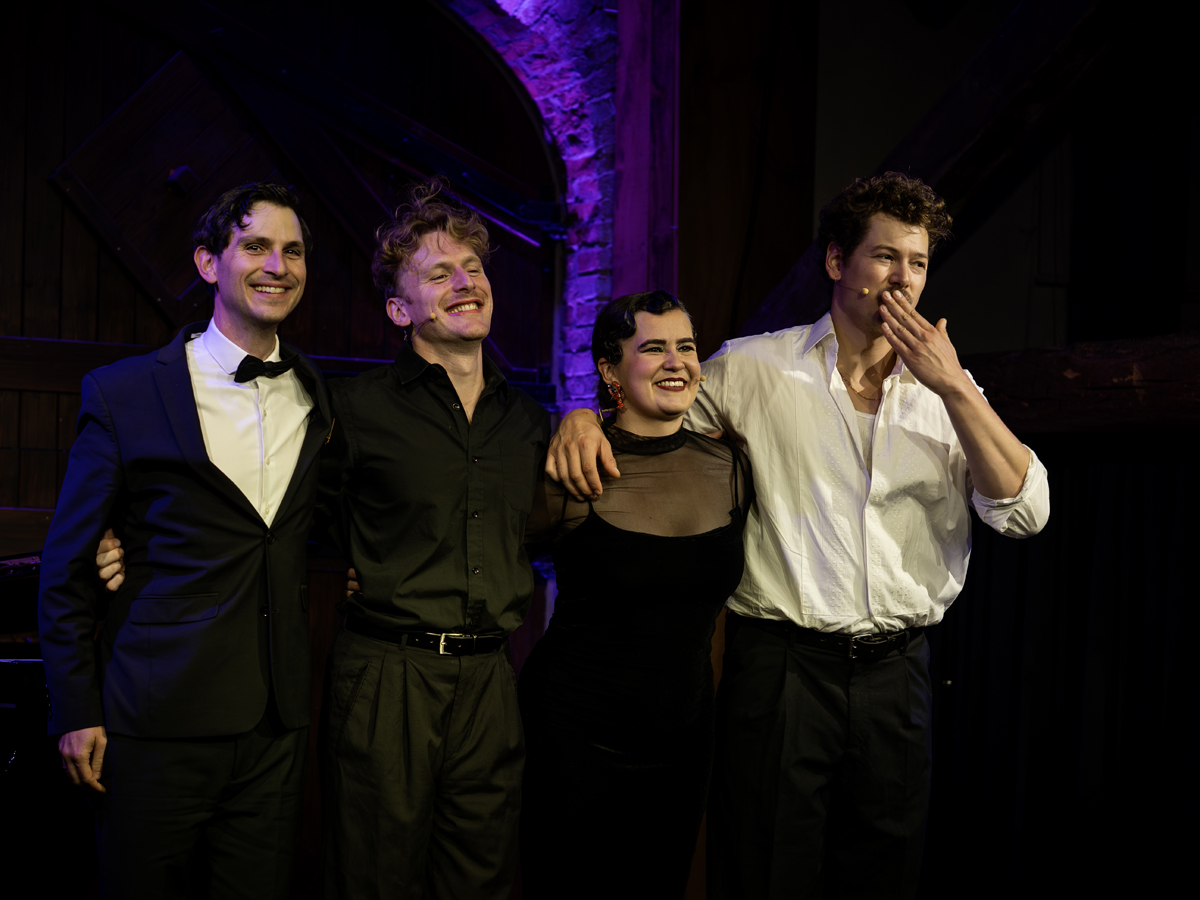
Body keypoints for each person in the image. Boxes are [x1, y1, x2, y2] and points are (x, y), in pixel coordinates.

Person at [547, 173, 1050, 898]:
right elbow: (651, 414)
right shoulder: (755, 366)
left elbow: (1023, 512)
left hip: (898, 674)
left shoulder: (948, 391)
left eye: (917, 262)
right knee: (763, 872)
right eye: (885, 257)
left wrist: (955, 387)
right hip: (782, 670)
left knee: (882, 877)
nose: (904, 279)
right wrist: (581, 415)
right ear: (838, 262)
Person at [38, 183, 328, 898]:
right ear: (208, 263)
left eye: (293, 251)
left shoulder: (318, 395)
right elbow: (67, 566)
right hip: (153, 718)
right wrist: (75, 710)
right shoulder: (125, 391)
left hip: (275, 726)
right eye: (255, 246)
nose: (278, 266)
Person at [319, 182, 550, 899]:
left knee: (482, 879)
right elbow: (301, 528)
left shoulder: (528, 421)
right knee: (375, 876)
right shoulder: (355, 409)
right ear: (401, 310)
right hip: (389, 674)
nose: (465, 283)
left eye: (473, 269)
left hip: (491, 679)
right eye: (439, 273)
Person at [518, 290, 752, 898]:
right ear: (610, 370)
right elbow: (487, 553)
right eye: (653, 348)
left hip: (682, 740)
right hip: (573, 734)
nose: (676, 362)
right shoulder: (572, 464)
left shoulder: (731, 467)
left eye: (686, 347)